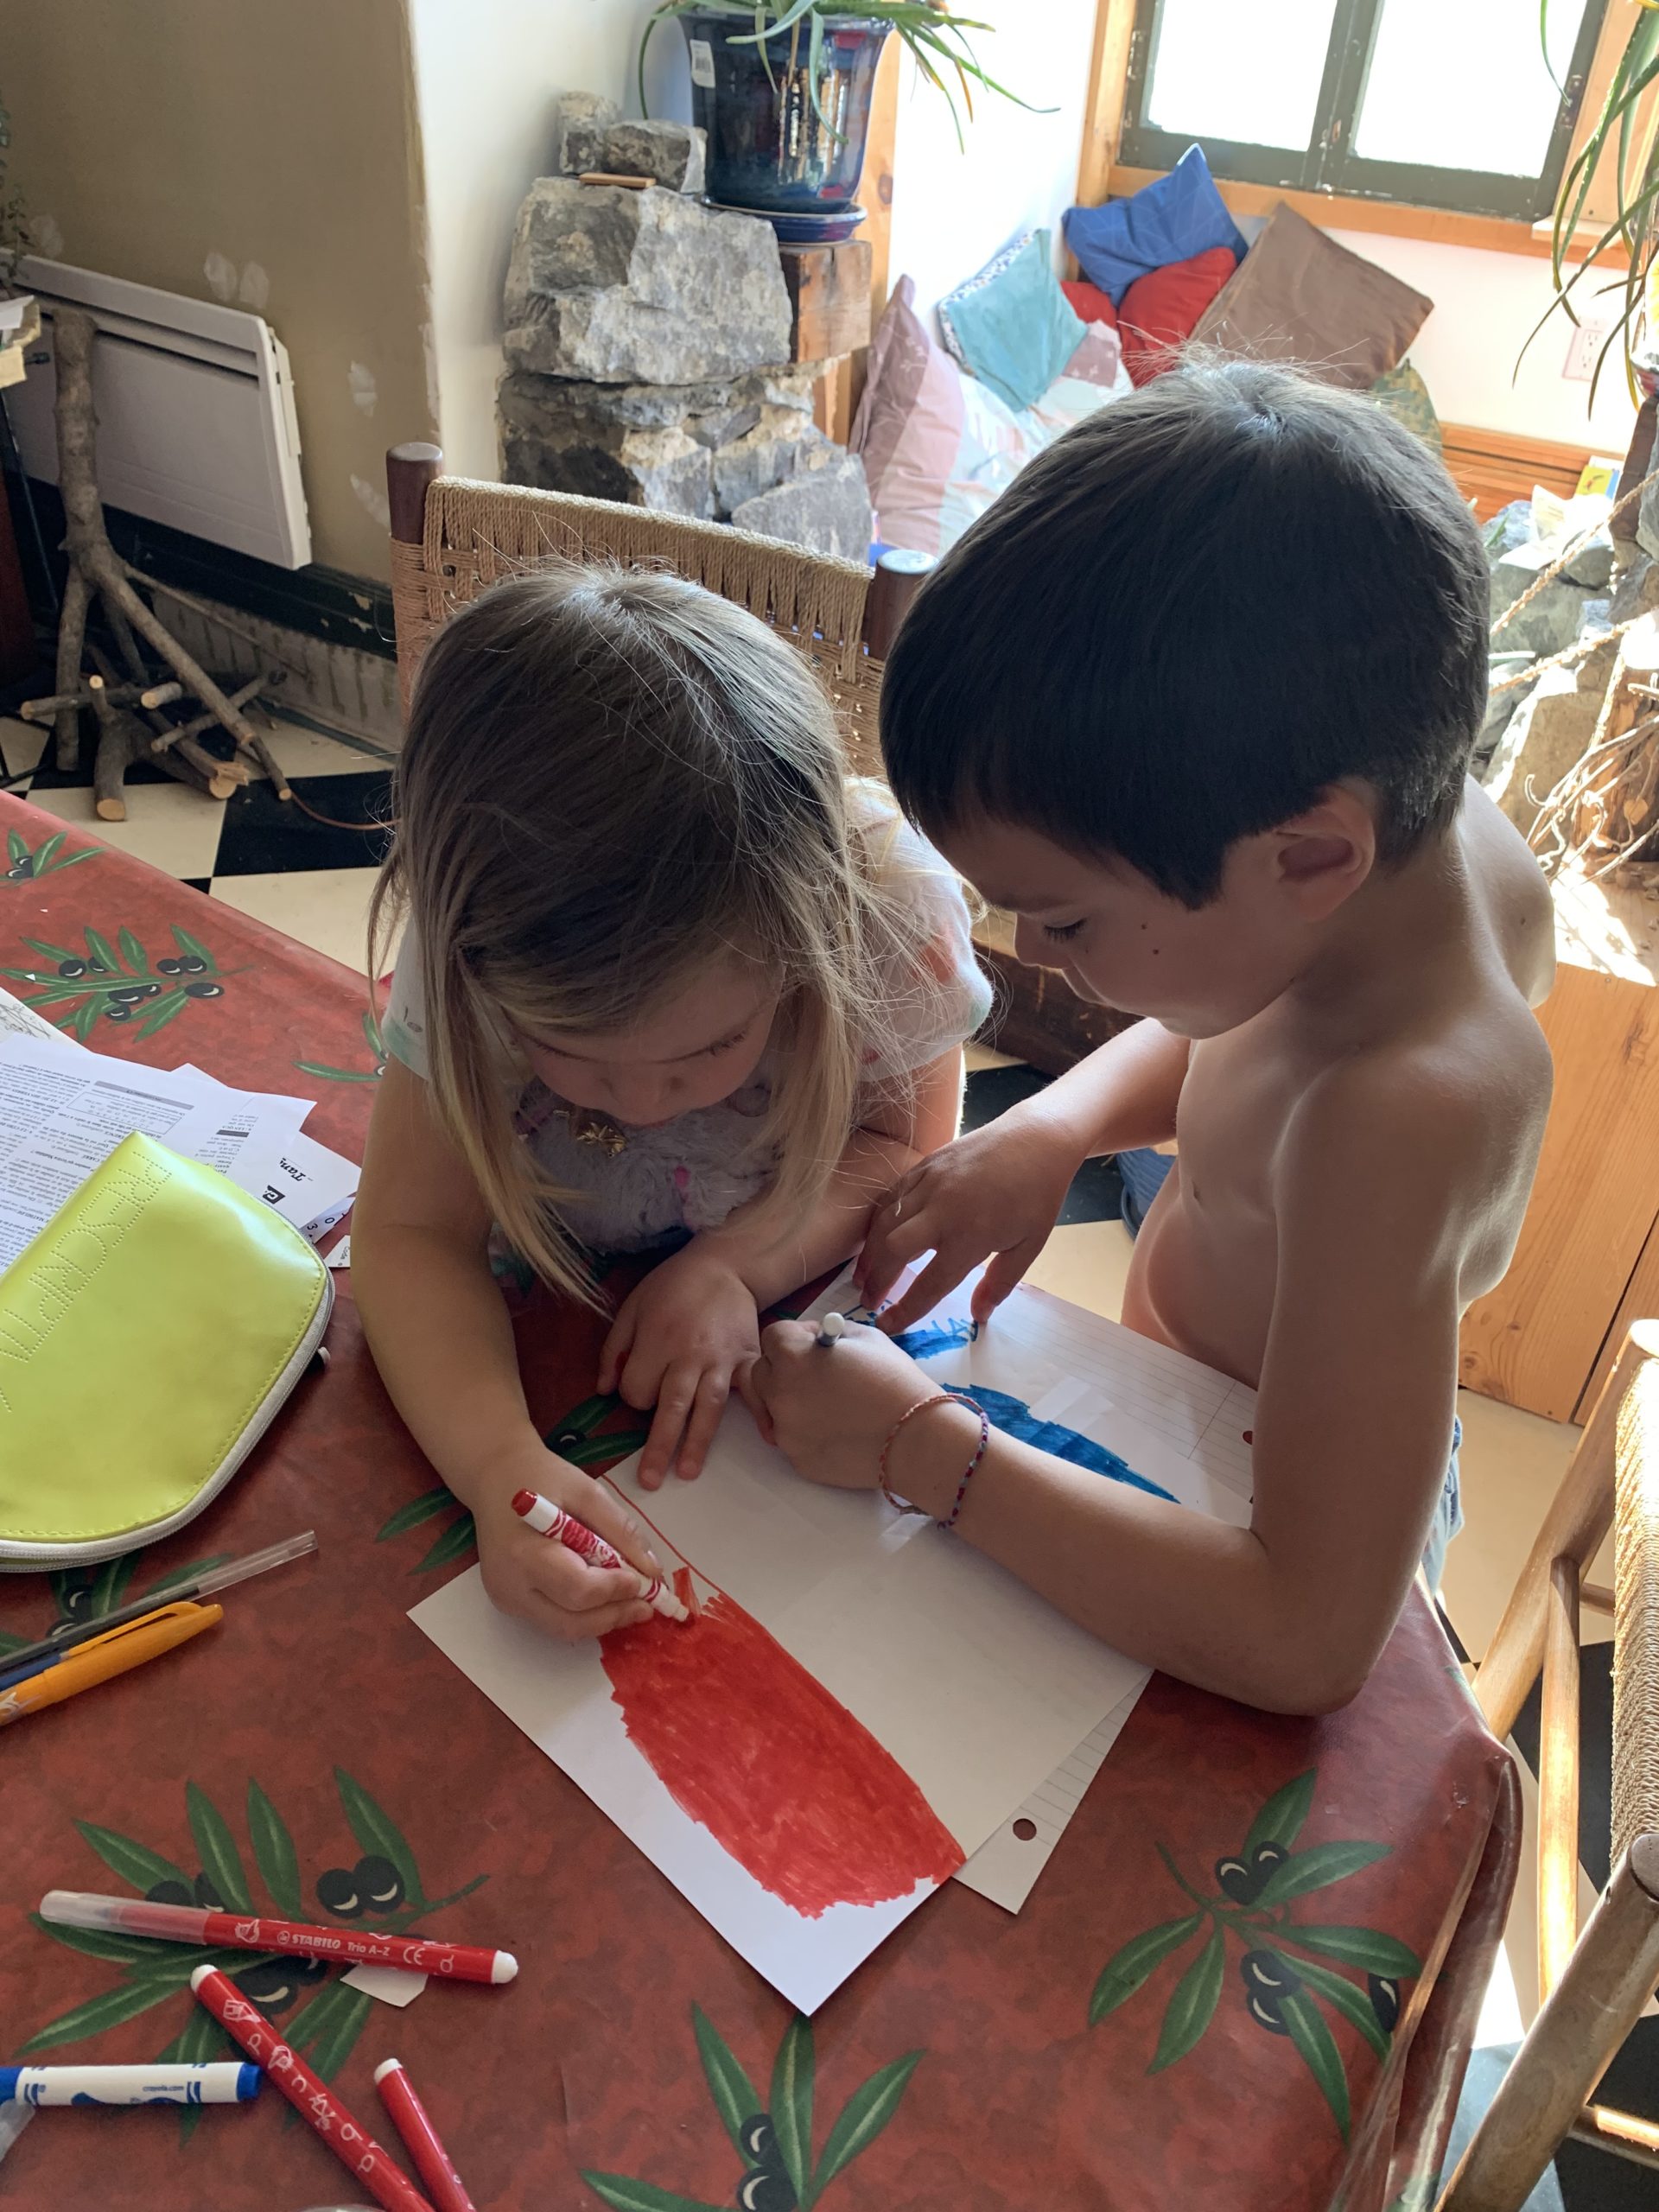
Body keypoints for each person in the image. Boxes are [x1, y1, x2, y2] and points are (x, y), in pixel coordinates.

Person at [752, 361, 1554, 1716]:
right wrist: (1055, 1127)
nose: (1030, 953)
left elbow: (1303, 1637)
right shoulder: (1400, 850)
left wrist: (917, 1447)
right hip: (1163, 1403)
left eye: (1067, 918)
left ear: (1311, 855)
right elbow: (1238, 1027)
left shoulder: (1400, 1117)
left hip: (1264, 1522)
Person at [353, 567, 988, 1642]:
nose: (643, 1102)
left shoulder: (886, 907)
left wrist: (737, 1264)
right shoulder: (476, 937)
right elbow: (411, 1232)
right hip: (543, 1302)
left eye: (711, 1048)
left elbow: (902, 1151)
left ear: (811, 941)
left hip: (804, 1310)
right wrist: (501, 1467)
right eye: (571, 1053)